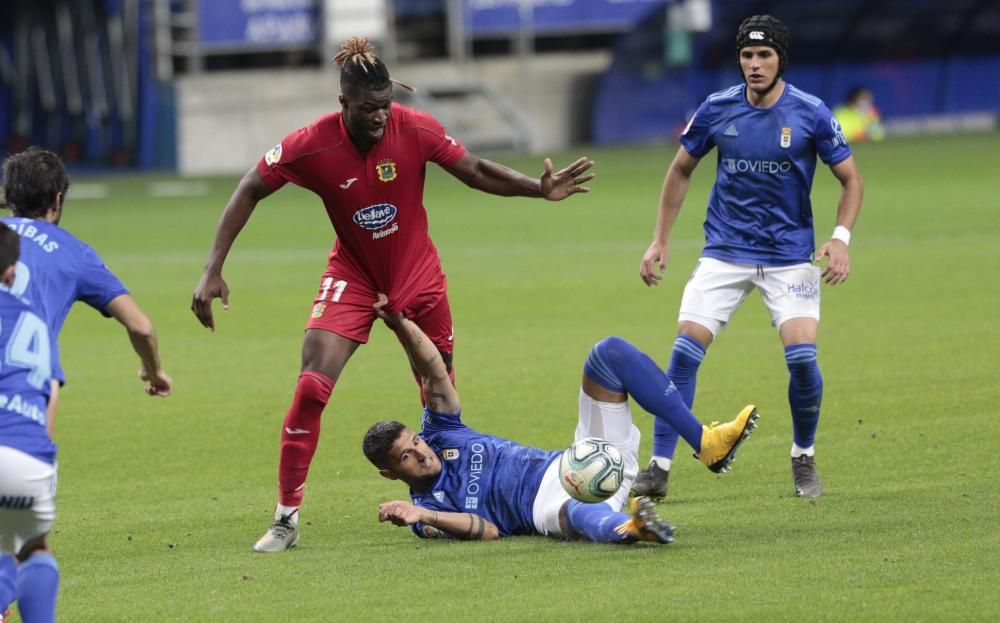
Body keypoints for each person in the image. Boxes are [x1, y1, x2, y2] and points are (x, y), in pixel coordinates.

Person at [189, 37, 595, 553]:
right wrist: (213, 268)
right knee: (311, 387)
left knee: (439, 391)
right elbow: (251, 184)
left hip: (418, 278)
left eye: (385, 105)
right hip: (354, 276)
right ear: (344, 104)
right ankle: (286, 518)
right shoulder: (311, 144)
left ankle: (452, 494)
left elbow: (473, 169)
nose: (380, 117)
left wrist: (538, 189)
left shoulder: (415, 127)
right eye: (368, 108)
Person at [634, 15, 863, 500]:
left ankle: (803, 456)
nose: (754, 65)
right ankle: (657, 466)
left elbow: (851, 180)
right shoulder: (717, 109)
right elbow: (679, 171)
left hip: (789, 257)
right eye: (746, 55)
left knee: (802, 361)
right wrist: (660, 239)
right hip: (725, 252)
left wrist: (840, 237)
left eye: (764, 56)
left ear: (781, 59)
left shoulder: (811, 113)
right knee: (683, 353)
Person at [363, 294, 759, 543]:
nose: (421, 453)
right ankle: (628, 528)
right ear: (390, 473)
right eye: (405, 457)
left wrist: (400, 325)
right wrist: (422, 514)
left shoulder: (441, 431)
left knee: (609, 354)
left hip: (579, 459)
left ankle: (706, 443)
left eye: (415, 441)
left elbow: (434, 371)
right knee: (575, 512)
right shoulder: (427, 507)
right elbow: (487, 530)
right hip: (543, 505)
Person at [0, 147, 173, 620]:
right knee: (30, 543)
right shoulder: (74, 253)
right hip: (26, 427)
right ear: (57, 199)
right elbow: (141, 326)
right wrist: (154, 371)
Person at [0, 226, 60, 622]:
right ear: (10, 271)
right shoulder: (34, 316)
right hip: (35, 462)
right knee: (32, 546)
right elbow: (51, 392)